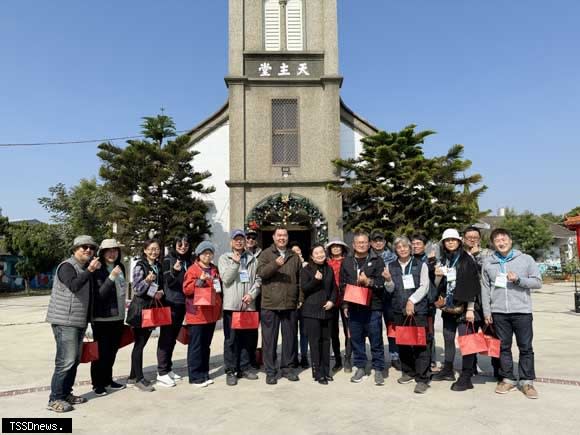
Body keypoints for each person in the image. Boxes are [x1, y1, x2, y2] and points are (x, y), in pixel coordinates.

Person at [481, 228, 542, 399]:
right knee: (503, 347)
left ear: (510, 240)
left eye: (504, 239)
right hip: (499, 312)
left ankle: (526, 381)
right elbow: (485, 289)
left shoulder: (525, 259)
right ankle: (507, 379)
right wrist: (487, 311)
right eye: (497, 240)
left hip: (522, 311)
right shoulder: (489, 262)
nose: (501, 242)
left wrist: (518, 280)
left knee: (525, 347)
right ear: (493, 244)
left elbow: (538, 282)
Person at [46, 235, 100, 412]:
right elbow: (74, 286)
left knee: (74, 360)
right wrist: (90, 271)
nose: (88, 250)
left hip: (79, 320)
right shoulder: (67, 266)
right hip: (65, 321)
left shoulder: (85, 268)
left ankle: (66, 393)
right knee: (65, 361)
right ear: (74, 249)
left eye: (91, 248)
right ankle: (54, 399)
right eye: (83, 247)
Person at [431, 229, 482, 392]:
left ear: (459, 241)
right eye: (447, 240)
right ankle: (447, 369)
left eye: (453, 239)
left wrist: (470, 309)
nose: (450, 242)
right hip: (449, 306)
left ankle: (466, 376)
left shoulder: (467, 259)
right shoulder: (444, 259)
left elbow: (473, 285)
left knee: (466, 342)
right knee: (447, 338)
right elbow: (439, 284)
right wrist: (438, 276)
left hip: (464, 307)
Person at [384, 236, 431, 393]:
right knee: (403, 342)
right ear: (395, 250)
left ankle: (423, 378)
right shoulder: (390, 266)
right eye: (399, 247)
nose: (402, 249)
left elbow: (424, 287)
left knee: (420, 344)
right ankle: (408, 371)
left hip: (418, 310)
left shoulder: (420, 264)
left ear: (410, 248)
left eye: (405, 246)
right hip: (398, 309)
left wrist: (412, 300)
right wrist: (389, 280)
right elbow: (390, 289)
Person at [257, 226, 302, 385]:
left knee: (290, 339)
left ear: (287, 238)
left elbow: (300, 279)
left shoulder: (293, 256)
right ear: (274, 237)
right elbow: (261, 273)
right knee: (269, 340)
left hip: (290, 303)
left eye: (285, 235)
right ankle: (270, 371)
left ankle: (288, 369)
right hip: (270, 303)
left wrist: (300, 298)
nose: (282, 238)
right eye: (279, 235)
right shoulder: (266, 254)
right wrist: (275, 264)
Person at [341, 231, 387, 386]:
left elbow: (382, 283)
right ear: (353, 245)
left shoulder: (377, 260)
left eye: (364, 242)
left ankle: (378, 368)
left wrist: (369, 281)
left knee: (376, 338)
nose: (361, 245)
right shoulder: (347, 262)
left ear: (369, 244)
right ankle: (360, 366)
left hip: (373, 306)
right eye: (358, 242)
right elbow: (342, 284)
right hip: (354, 306)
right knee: (356, 339)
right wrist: (345, 304)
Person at [218, 229, 261, 386]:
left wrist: (252, 294)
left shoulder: (252, 259)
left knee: (247, 339)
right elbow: (226, 279)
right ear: (231, 242)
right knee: (231, 340)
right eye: (236, 239)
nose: (239, 242)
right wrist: (235, 263)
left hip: (248, 306)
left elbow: (258, 279)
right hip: (232, 306)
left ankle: (244, 367)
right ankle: (231, 370)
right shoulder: (224, 258)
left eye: (241, 239)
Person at [125, 239, 164, 392]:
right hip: (140, 310)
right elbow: (137, 289)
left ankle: (132, 376)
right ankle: (139, 379)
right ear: (145, 250)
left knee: (142, 343)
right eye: (151, 249)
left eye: (157, 249)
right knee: (139, 345)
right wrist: (147, 281)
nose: (154, 251)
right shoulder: (140, 266)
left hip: (150, 309)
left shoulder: (157, 266)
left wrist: (160, 291)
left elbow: (159, 286)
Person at [183, 241, 223, 387]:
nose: (208, 256)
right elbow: (187, 290)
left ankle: (204, 373)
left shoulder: (214, 269)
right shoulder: (193, 270)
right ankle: (195, 377)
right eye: (205, 253)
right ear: (199, 255)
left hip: (211, 314)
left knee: (206, 345)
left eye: (210, 253)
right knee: (196, 346)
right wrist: (199, 280)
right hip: (198, 314)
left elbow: (219, 289)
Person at [90, 239, 127, 396]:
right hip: (102, 318)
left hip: (118, 317)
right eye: (109, 250)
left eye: (115, 250)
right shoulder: (98, 269)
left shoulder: (121, 267)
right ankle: (97, 384)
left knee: (112, 352)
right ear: (102, 253)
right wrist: (111, 277)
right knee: (100, 353)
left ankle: (107, 379)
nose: (112, 253)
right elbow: (99, 295)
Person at [156, 235, 192, 387]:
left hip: (183, 303)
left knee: (173, 337)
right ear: (174, 245)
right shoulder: (167, 260)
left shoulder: (188, 261)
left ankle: (168, 368)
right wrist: (175, 272)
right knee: (166, 337)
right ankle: (161, 372)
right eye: (180, 244)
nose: (183, 246)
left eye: (186, 244)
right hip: (170, 303)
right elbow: (167, 283)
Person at [300, 244, 337, 385]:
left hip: (327, 310)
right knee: (315, 342)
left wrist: (332, 301)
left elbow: (334, 288)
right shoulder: (306, 270)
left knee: (326, 341)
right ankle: (318, 372)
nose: (320, 255)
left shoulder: (329, 268)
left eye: (322, 252)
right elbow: (304, 288)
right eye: (317, 253)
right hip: (311, 312)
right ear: (312, 256)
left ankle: (326, 371)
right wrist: (315, 280)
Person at [370, 229, 400, 371]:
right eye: (375, 240)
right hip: (373, 298)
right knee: (375, 330)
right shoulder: (368, 257)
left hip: (390, 298)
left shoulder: (393, 257)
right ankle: (378, 359)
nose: (378, 243)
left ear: (385, 242)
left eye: (380, 240)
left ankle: (395, 356)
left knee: (392, 329)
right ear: (371, 243)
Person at [411, 233, 438, 369]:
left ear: (424, 246)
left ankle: (431, 359)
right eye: (413, 244)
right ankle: (415, 358)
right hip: (412, 301)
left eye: (418, 244)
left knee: (428, 332)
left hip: (428, 301)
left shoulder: (430, 260)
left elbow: (435, 278)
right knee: (413, 331)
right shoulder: (408, 259)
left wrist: (433, 264)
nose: (415, 246)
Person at [326, 238, 350, 372]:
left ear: (342, 249)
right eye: (333, 247)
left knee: (348, 330)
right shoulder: (327, 263)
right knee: (333, 332)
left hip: (347, 298)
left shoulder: (348, 262)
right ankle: (338, 360)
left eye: (338, 247)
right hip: (332, 300)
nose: (335, 249)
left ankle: (348, 358)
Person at [290, 241, 309, 369]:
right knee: (292, 332)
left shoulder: (307, 265)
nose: (297, 253)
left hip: (306, 303)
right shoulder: (288, 266)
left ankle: (304, 356)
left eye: (298, 251)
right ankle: (294, 356)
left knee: (304, 332)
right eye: (294, 251)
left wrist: (302, 265)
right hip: (292, 302)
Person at [245, 229, 262, 369]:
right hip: (243, 297)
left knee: (253, 330)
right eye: (248, 237)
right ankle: (242, 359)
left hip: (258, 296)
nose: (250, 240)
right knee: (240, 330)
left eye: (253, 238)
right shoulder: (239, 254)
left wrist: (253, 293)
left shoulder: (261, 254)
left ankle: (253, 358)